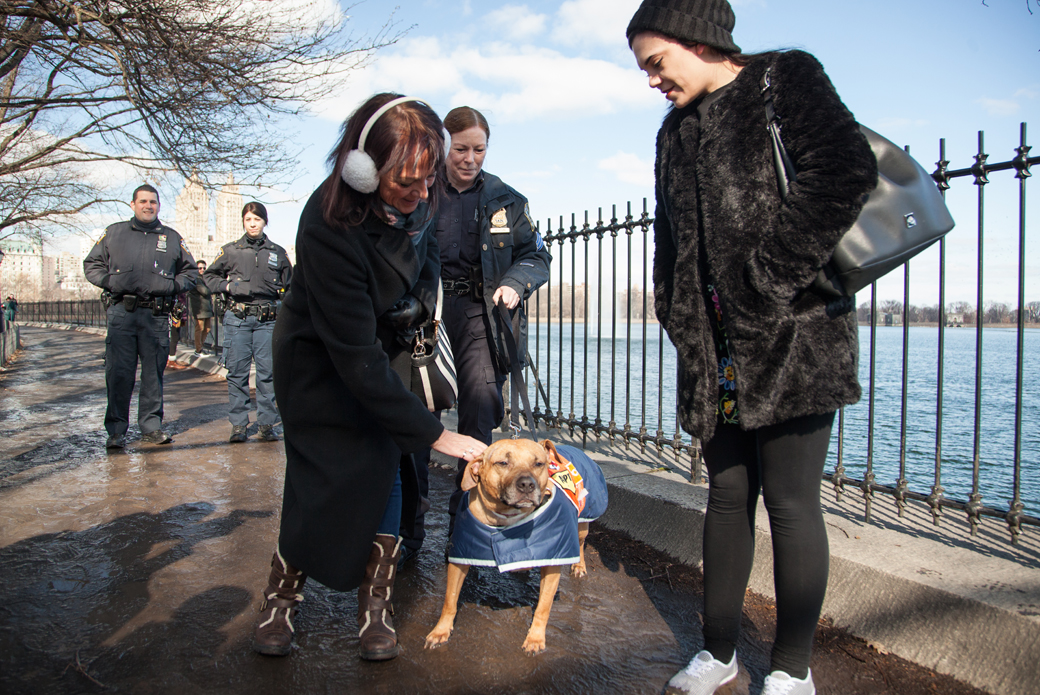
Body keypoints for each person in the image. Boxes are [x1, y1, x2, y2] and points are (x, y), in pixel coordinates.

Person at [626, 1, 879, 694]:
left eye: (656, 62)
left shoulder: (783, 78)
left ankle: (792, 669)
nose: (652, 80)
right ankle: (717, 653)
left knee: (792, 504)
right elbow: (666, 238)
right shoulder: (672, 131)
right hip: (715, 354)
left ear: (698, 40)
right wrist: (675, 313)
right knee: (726, 496)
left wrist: (769, 279)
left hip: (796, 339)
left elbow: (843, 170)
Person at [249, 93, 487, 661]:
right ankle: (282, 598)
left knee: (387, 467)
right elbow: (352, 354)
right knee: (319, 474)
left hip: (385, 350)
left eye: (428, 179)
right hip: (320, 360)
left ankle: (373, 609)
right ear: (363, 167)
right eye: (406, 181)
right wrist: (435, 434)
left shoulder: (421, 198)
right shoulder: (328, 220)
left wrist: (416, 300)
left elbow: (426, 251)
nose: (422, 193)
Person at [400, 106, 551, 564]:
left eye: (478, 149)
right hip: (426, 314)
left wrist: (514, 282)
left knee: (481, 408)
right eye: (461, 149)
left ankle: (464, 529)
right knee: (417, 414)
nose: (469, 158)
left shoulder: (508, 199)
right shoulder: (420, 190)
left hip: (480, 316)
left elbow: (536, 257)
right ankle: (408, 532)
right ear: (444, 146)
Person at [84, 184, 198, 449]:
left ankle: (151, 427)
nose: (149, 206)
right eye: (143, 201)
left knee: (152, 376)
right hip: (122, 314)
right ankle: (116, 431)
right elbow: (92, 264)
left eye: (154, 202)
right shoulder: (115, 233)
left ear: (159, 206)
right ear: (133, 204)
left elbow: (190, 273)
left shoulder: (171, 237)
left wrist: (171, 287)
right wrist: (109, 281)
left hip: (156, 317)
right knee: (119, 374)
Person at [204, 203, 292, 443]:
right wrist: (228, 286)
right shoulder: (231, 251)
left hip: (268, 322)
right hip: (238, 320)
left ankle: (266, 424)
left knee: (267, 375)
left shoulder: (278, 252)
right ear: (243, 221)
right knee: (237, 374)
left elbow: (291, 286)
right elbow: (209, 277)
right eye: (248, 219)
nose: (253, 223)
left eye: (257, 219)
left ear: (265, 222)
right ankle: (239, 425)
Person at [189, 259, 214, 355]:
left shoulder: (204, 279)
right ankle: (198, 349)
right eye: (200, 268)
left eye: (204, 268)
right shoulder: (196, 279)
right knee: (199, 328)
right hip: (199, 308)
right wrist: (212, 287)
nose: (202, 270)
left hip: (207, 308)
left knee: (207, 328)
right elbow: (205, 291)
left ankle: (200, 347)